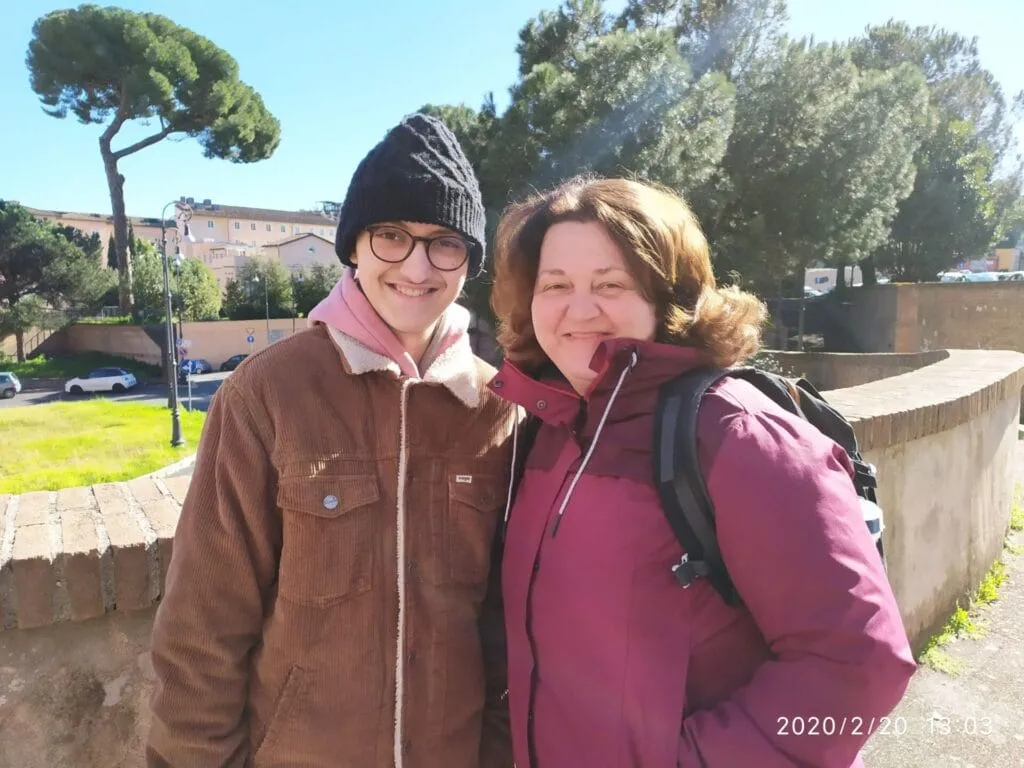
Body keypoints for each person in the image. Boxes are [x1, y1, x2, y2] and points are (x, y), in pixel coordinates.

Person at [487, 176, 916, 767]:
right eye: (555, 284)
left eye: (610, 284)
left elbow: (857, 666)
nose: (578, 309)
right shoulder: (547, 430)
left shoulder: (737, 433)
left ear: (669, 298)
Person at [147, 114, 516, 768]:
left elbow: (503, 631)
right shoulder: (266, 393)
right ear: (353, 246)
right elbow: (202, 629)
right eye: (391, 236)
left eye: (445, 243)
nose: (417, 265)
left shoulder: (499, 409)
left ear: (470, 262)